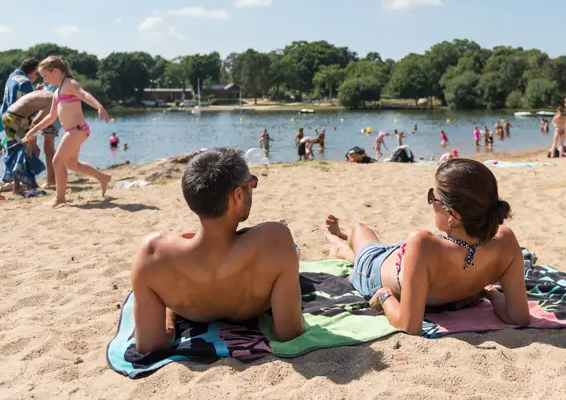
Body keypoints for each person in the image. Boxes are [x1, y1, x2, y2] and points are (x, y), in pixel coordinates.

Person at [324, 158, 530, 334]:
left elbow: (409, 326)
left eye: (433, 197)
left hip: (374, 269)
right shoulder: (505, 241)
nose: (431, 203)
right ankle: (342, 246)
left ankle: (341, 240)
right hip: (405, 259)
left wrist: (385, 296)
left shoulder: (423, 243)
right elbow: (518, 316)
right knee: (366, 241)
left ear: (453, 214)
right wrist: (489, 292)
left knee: (360, 230)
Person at [129, 148, 303, 354]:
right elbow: (289, 331)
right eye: (252, 183)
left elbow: (149, 346)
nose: (253, 189)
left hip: (190, 311)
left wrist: (169, 312)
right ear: (238, 195)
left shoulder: (152, 256)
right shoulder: (275, 240)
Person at [22, 56, 112, 207]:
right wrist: (34, 129)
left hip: (77, 130)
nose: (44, 80)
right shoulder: (57, 92)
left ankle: (60, 198)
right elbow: (51, 117)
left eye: (45, 75)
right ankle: (103, 177)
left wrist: (99, 106)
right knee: (72, 164)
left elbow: (84, 95)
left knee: (57, 161)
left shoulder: (70, 83)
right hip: (72, 131)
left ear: (56, 71)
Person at [2, 90, 54, 194]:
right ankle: (29, 185)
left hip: (10, 116)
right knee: (29, 151)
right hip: (14, 119)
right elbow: (35, 123)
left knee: (18, 152)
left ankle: (19, 187)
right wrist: (30, 145)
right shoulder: (53, 101)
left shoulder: (49, 94)